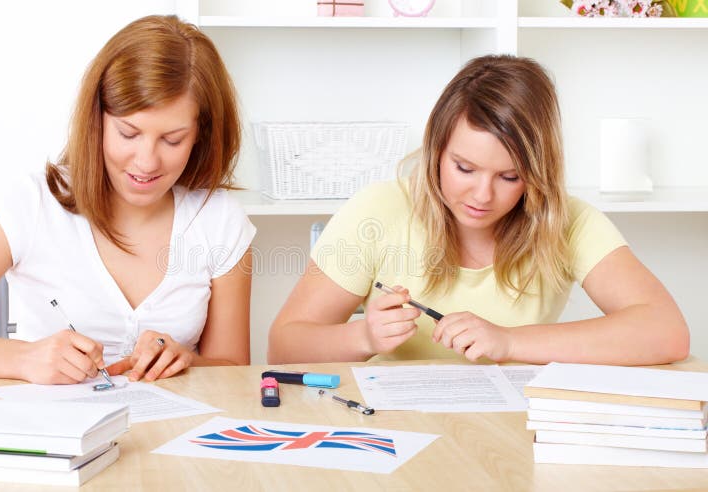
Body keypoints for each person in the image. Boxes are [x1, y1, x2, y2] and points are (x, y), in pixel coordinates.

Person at [268, 54, 689, 366]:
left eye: (509, 177)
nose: (482, 195)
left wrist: (509, 342)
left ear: (538, 173)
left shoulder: (568, 222)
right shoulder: (380, 209)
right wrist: (364, 336)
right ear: (437, 150)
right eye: (464, 168)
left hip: (511, 435)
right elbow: (283, 346)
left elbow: (666, 331)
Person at [0, 15, 255, 384]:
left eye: (172, 140)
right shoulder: (31, 204)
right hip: (49, 435)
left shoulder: (220, 221)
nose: (146, 161)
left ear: (201, 135)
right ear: (98, 119)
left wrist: (186, 361)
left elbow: (235, 371)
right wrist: (23, 359)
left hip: (170, 438)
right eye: (128, 133)